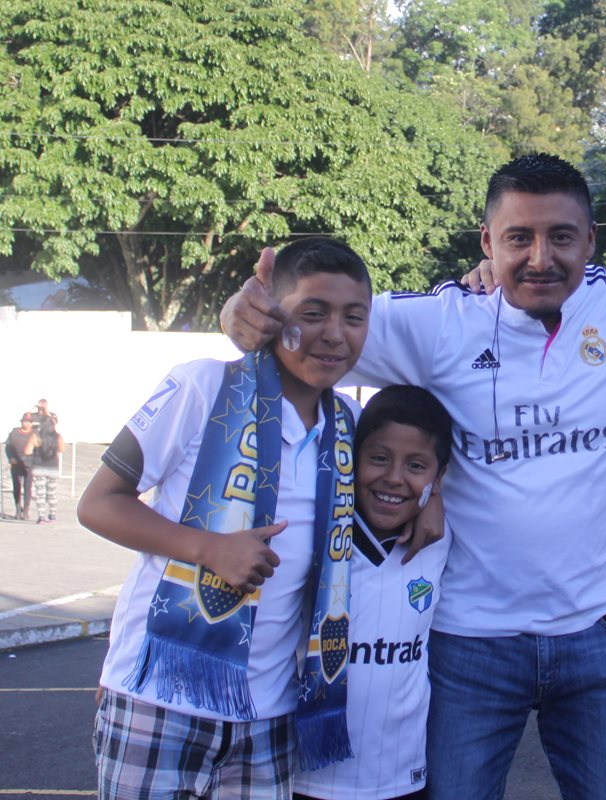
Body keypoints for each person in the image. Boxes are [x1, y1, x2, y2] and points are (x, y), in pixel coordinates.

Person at [220, 153, 606, 799]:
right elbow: (311, 327)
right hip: (470, 641)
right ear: (486, 242)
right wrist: (238, 316)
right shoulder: (441, 320)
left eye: (561, 237)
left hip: (601, 637)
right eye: (518, 238)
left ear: (591, 239)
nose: (540, 258)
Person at [79, 237, 372, 799]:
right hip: (159, 699)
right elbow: (98, 503)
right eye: (313, 313)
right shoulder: (203, 385)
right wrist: (209, 549)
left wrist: (431, 500)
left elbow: (411, 467)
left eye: (353, 317)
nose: (335, 334)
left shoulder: (351, 425)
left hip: (270, 715)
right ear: (272, 312)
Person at [294, 384, 453, 800]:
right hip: (304, 777)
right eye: (379, 458)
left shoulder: (441, 539)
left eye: (415, 466)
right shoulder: (317, 532)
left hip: (401, 776)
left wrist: (434, 497)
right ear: (353, 457)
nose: (394, 478)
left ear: (438, 478)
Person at [25, 411, 63, 524]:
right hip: (53, 467)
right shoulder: (58, 436)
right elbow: (62, 449)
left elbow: (27, 451)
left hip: (39, 467)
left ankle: (41, 517)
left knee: (40, 493)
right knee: (52, 492)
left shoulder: (36, 435)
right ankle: (52, 516)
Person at [5, 412, 35, 520]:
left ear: (31, 423)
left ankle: (26, 511)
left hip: (28, 465)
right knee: (16, 487)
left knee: (27, 488)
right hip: (16, 464)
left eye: (28, 422)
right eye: (24, 421)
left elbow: (38, 449)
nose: (26, 423)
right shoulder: (14, 433)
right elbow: (8, 447)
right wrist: (10, 458)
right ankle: (18, 509)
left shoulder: (34, 434)